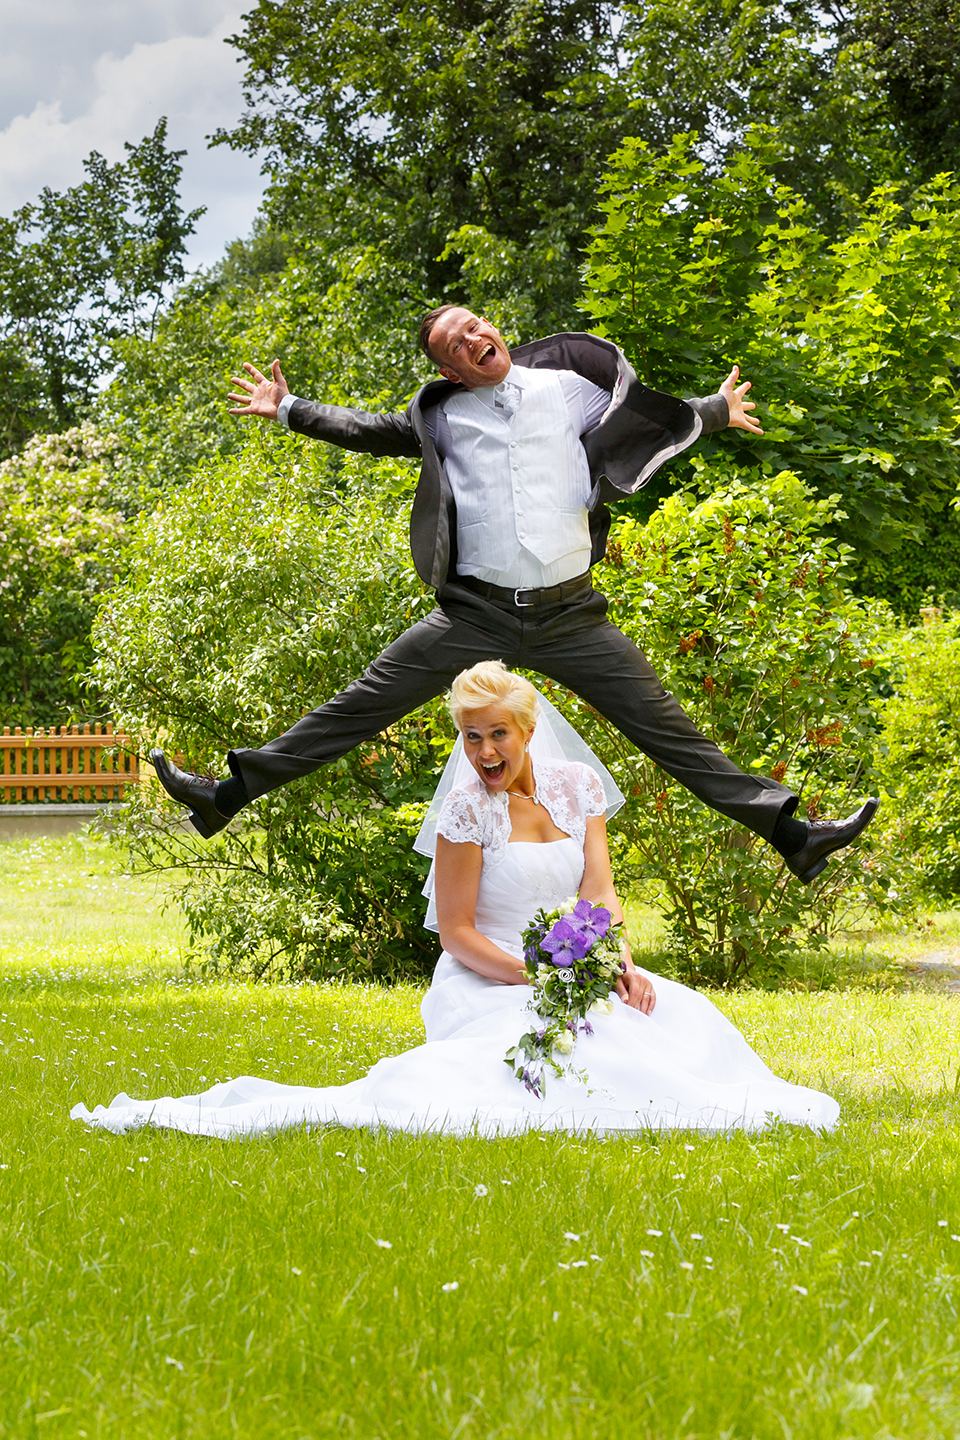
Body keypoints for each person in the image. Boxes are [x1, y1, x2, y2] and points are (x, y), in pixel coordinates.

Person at [151, 306, 876, 883]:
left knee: (669, 731)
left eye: (475, 325)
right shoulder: (440, 419)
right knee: (359, 705)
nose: (473, 339)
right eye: (455, 343)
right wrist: (288, 408)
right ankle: (226, 795)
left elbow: (645, 415)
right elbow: (367, 430)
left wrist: (714, 411)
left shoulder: (566, 388)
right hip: (476, 614)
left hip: (572, 617)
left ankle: (794, 835)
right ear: (451, 370)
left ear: (495, 332)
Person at [73, 663, 840, 1137]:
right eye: (470, 738)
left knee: (678, 1025)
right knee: (559, 1064)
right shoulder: (466, 811)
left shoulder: (577, 789)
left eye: (497, 735)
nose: (484, 755)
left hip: (573, 965)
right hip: (486, 980)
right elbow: (460, 935)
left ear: (529, 729)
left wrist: (616, 961)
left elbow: (598, 890)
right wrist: (541, 978)